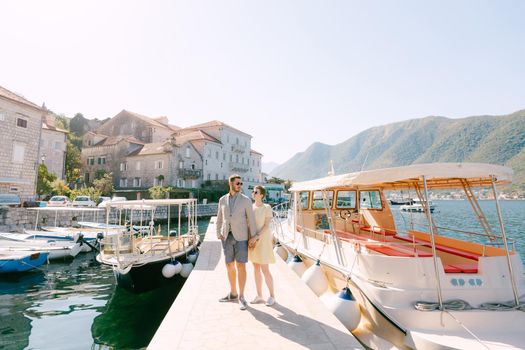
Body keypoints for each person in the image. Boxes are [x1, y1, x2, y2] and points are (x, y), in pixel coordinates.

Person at [216, 174, 257, 310]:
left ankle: (241, 296)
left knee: (241, 266)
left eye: (241, 184)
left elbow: (251, 220)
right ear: (231, 184)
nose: (240, 185)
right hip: (226, 237)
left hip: (242, 237)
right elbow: (219, 218)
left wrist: (253, 237)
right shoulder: (222, 199)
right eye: (238, 183)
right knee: (229, 265)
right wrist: (218, 233)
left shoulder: (246, 200)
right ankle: (233, 293)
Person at [248, 185, 276, 306]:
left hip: (262, 241)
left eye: (256, 192)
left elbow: (266, 226)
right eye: (253, 191)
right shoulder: (250, 207)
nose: (253, 193)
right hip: (253, 242)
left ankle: (272, 296)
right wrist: (250, 239)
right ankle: (259, 295)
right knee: (256, 269)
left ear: (261, 195)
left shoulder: (267, 207)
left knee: (265, 269)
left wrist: (256, 237)